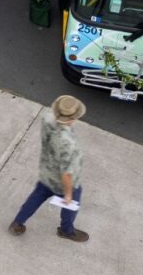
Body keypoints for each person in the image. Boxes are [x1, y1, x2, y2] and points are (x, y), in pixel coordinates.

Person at [9, 95, 89, 242]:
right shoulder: (68, 144)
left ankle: (17, 222)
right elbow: (66, 174)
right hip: (62, 182)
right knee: (71, 205)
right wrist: (68, 194)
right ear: (72, 119)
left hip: (47, 172)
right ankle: (66, 230)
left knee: (36, 197)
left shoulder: (47, 118)